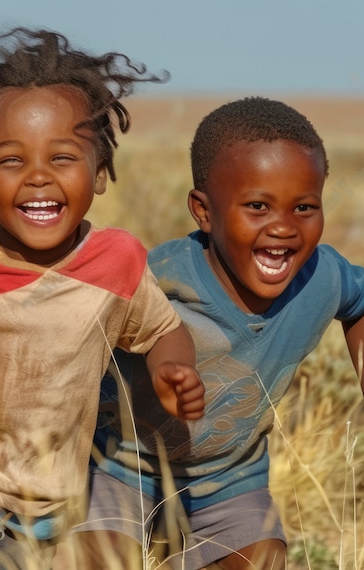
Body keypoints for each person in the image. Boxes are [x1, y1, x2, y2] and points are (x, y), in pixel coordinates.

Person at [0, 26, 205, 570]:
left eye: (62, 158)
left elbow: (159, 331)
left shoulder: (117, 261)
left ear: (100, 173)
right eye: (11, 161)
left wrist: (174, 372)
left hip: (40, 510)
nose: (37, 177)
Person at [72, 97, 364, 570]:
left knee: (265, 559)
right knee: (97, 560)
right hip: (119, 468)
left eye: (305, 207)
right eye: (257, 206)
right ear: (204, 212)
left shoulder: (321, 278)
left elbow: (359, 300)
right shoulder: (161, 275)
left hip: (231, 482)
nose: (284, 227)